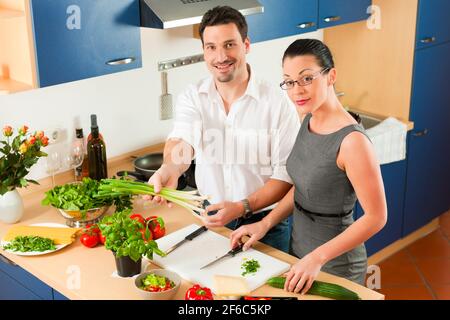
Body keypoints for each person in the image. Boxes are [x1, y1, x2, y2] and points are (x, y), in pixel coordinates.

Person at [231, 39, 387, 291]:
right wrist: (265, 222)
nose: (297, 90)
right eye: (290, 82)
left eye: (306, 78)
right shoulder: (307, 120)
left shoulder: (352, 142)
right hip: (300, 255)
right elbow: (303, 186)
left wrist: (317, 257)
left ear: (331, 76)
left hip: (335, 266)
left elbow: (376, 217)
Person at [147, 6, 299, 253]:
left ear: (246, 45)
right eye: (212, 47)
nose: (221, 57)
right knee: (216, 289)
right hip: (212, 217)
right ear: (204, 51)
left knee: (264, 292)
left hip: (265, 225)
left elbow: (285, 176)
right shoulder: (193, 96)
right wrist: (169, 169)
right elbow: (184, 139)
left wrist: (242, 207)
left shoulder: (278, 102)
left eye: (229, 45)